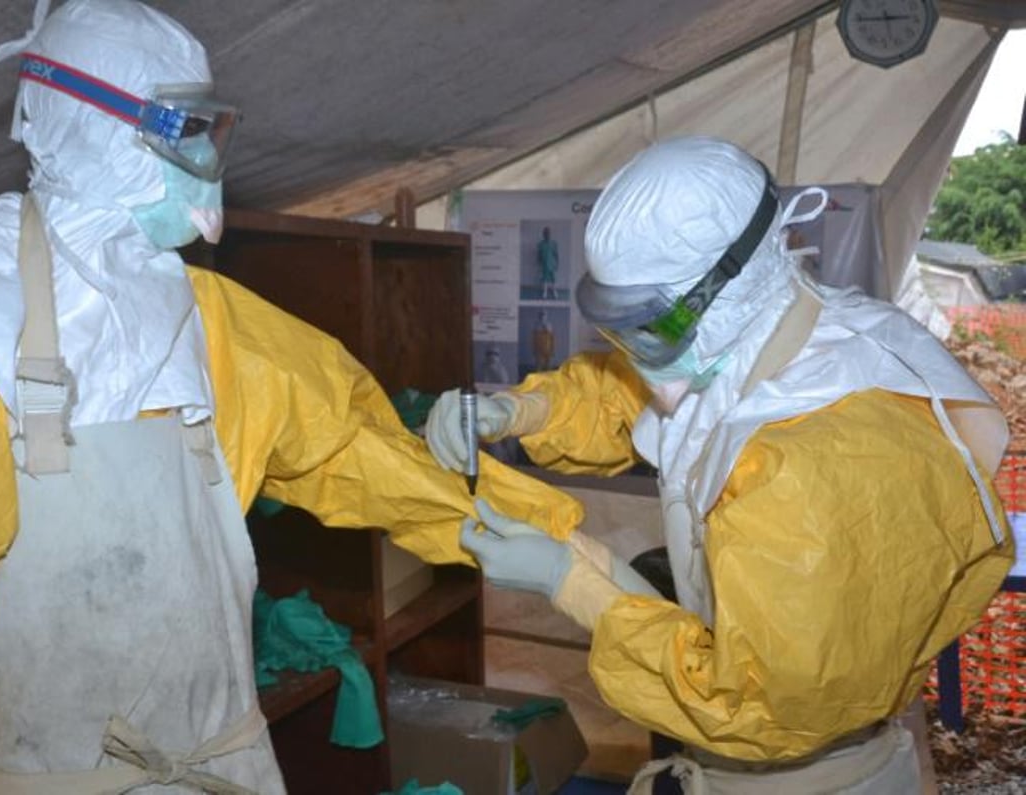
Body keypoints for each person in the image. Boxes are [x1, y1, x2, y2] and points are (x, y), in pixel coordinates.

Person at [0, 2, 583, 791]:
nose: (207, 155)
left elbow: (356, 446)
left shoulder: (210, 319)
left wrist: (548, 548)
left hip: (229, 768)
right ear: (101, 133)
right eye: (186, 130)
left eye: (211, 129)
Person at [425, 136, 1013, 792]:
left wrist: (573, 581)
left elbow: (757, 707)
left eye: (650, 323)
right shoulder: (778, 331)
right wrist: (515, 411)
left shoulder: (813, 466)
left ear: (732, 282)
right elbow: (629, 394)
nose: (634, 352)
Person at [537, 225, 559, 299]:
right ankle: (545, 292)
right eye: (545, 233)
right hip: (544, 264)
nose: (547, 234)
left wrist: (557, 264)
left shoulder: (553, 244)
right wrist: (539, 262)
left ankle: (554, 291)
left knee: (553, 278)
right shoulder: (541, 244)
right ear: (543, 234)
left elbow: (556, 254)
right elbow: (539, 254)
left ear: (550, 234)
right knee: (544, 278)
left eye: (548, 233)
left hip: (552, 264)